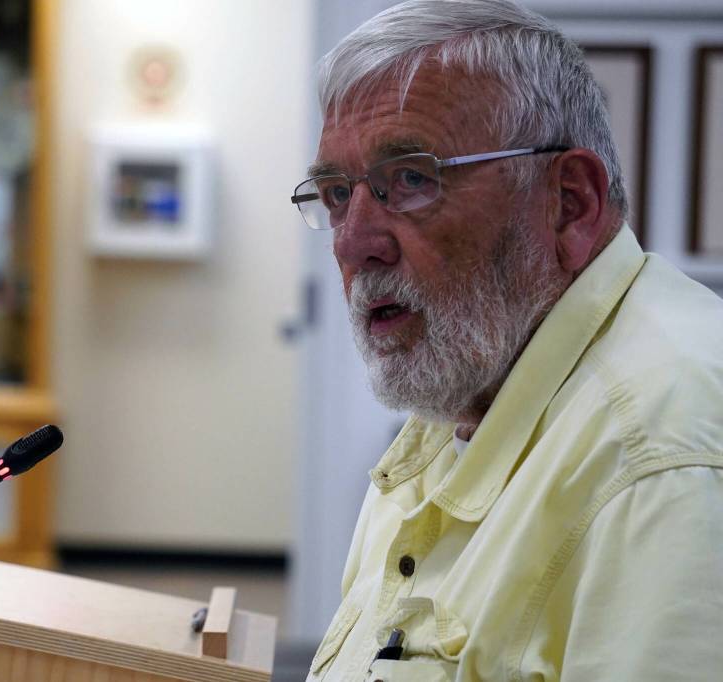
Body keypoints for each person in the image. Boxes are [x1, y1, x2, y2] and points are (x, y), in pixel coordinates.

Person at [290, 1, 723, 680]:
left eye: (409, 179)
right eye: (338, 193)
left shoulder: (664, 460)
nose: (353, 243)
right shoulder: (472, 379)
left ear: (569, 202)